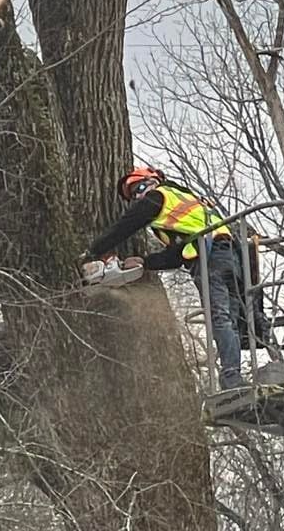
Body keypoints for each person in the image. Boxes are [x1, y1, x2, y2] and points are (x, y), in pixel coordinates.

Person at [82, 165, 245, 389]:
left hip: (209, 258)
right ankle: (234, 374)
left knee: (220, 316)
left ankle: (232, 378)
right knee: (230, 318)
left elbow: (126, 226)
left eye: (139, 188)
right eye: (133, 195)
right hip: (230, 255)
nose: (138, 196)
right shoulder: (189, 201)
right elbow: (177, 254)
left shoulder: (158, 197)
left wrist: (92, 252)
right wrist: (146, 262)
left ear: (152, 181)